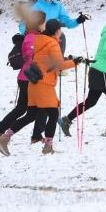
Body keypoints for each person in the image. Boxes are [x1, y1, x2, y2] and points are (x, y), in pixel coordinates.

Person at [0, 8, 46, 156]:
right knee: (35, 109)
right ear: (39, 23)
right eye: (43, 22)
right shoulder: (32, 37)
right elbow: (30, 57)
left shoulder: (33, 35)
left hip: (26, 77)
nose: (45, 24)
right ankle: (33, 135)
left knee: (22, 109)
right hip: (28, 78)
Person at [26, 20, 85, 154]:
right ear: (57, 31)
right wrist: (74, 62)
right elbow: (60, 65)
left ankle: (41, 141)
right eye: (60, 30)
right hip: (45, 82)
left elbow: (50, 61)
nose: (61, 33)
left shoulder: (40, 40)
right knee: (52, 114)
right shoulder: (52, 43)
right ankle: (47, 146)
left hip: (39, 81)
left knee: (39, 114)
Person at [18, 0, 88, 54]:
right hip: (40, 37)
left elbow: (66, 21)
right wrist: (27, 35)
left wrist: (78, 21)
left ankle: (59, 61)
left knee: (61, 36)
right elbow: (23, 24)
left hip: (54, 36)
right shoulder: (35, 6)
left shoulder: (57, 6)